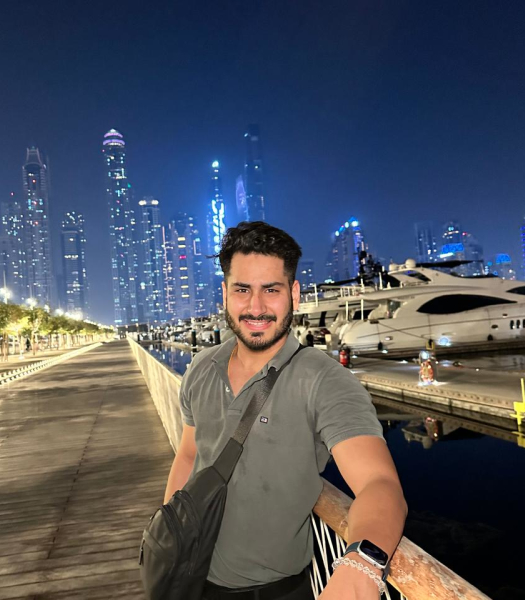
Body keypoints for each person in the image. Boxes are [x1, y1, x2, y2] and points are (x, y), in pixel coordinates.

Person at [164, 222, 407, 600]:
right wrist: (170, 533)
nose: (256, 307)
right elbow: (188, 454)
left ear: (293, 293)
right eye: (242, 289)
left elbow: (379, 484)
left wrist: (360, 568)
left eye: (271, 290)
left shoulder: (324, 380)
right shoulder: (201, 367)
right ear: (225, 293)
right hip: (189, 576)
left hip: (274, 591)